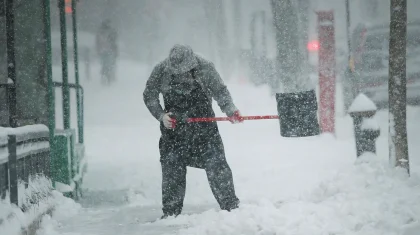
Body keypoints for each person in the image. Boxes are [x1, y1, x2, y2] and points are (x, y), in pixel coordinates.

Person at [143, 44, 242, 218]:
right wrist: (161, 116)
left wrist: (230, 110)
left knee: (217, 166)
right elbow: (149, 95)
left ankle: (231, 209)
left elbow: (220, 91)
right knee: (172, 170)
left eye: (185, 73)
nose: (182, 77)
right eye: (177, 74)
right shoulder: (161, 70)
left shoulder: (206, 67)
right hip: (174, 132)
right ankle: (171, 213)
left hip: (205, 131)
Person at [95, 19, 118, 84]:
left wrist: (98, 49)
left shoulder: (100, 31)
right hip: (108, 51)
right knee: (108, 64)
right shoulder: (111, 31)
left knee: (105, 64)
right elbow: (114, 40)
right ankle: (107, 75)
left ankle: (105, 75)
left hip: (103, 51)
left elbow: (97, 42)